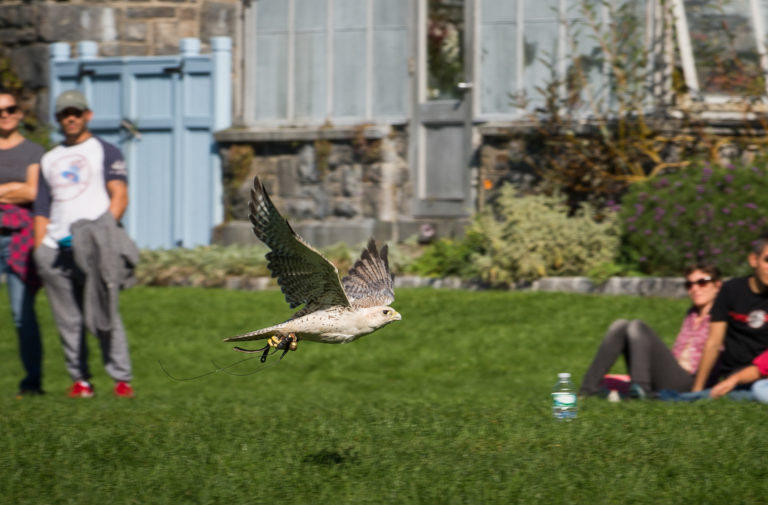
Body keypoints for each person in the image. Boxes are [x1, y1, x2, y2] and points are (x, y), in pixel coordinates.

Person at [33, 89, 138, 398]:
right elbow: (41, 207)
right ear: (58, 119)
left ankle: (122, 380)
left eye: (76, 113)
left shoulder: (106, 150)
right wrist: (41, 249)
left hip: (95, 247)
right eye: (65, 114)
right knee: (68, 320)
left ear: (87, 115)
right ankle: (81, 381)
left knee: (105, 312)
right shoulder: (49, 158)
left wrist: (100, 234)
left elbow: (119, 195)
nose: (71, 118)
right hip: (55, 248)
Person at [579, 264, 723, 398]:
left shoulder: (723, 319)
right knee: (620, 325)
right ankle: (588, 389)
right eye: (689, 284)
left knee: (637, 327)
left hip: (693, 382)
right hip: (672, 373)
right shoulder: (692, 314)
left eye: (702, 282)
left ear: (717, 286)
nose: (695, 288)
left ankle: (641, 388)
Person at [0, 88, 45, 398]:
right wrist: (13, 188)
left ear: (19, 113)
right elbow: (23, 190)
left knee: (21, 313)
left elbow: (32, 192)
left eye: (9, 109)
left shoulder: (33, 152)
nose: (4, 114)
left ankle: (32, 383)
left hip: (19, 239)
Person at [689, 233, 768, 399]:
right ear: (754, 260)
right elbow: (713, 343)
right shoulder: (731, 291)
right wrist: (696, 388)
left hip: (762, 376)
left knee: (758, 390)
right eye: (767, 260)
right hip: (733, 376)